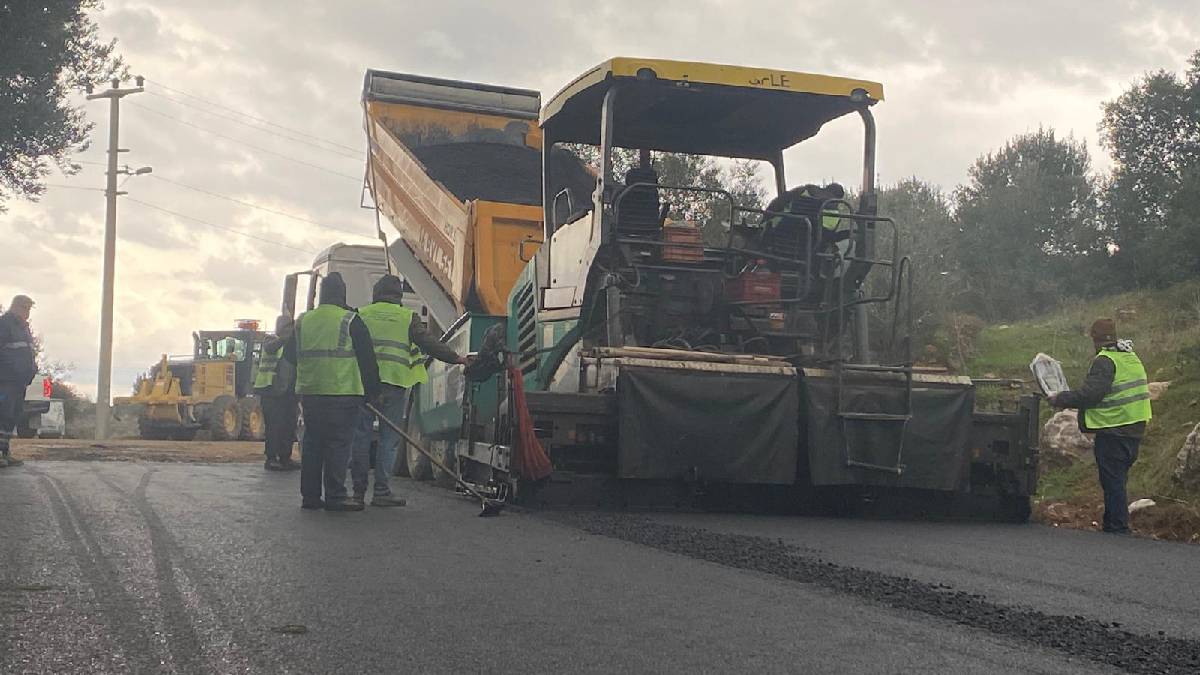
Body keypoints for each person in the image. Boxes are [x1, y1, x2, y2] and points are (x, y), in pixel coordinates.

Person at [349, 275, 469, 507]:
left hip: (362, 385)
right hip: (394, 384)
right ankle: (382, 492)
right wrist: (457, 358)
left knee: (360, 437)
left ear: (376, 294)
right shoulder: (407, 317)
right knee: (388, 439)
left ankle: (357, 492)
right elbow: (429, 343)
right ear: (398, 296)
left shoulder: (360, 314)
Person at [283, 273, 380, 512]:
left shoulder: (304, 321)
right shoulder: (350, 320)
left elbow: (288, 355)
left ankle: (310, 497)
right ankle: (336, 495)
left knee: (313, 444)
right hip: (343, 393)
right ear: (342, 294)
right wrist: (373, 393)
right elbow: (368, 360)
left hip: (312, 393)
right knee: (338, 445)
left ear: (319, 295)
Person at [1050, 318, 1152, 534]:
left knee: (1112, 481)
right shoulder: (1129, 356)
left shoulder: (1105, 361)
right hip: (1134, 428)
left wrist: (1060, 398)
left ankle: (1117, 527)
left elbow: (1091, 394)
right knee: (1118, 479)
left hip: (1114, 428)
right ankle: (1112, 524)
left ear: (1094, 339)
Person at [254, 315, 299, 472]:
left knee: (289, 425)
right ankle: (271, 458)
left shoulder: (293, 344)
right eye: (287, 327)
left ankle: (285, 457)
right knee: (274, 426)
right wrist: (286, 337)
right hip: (271, 391)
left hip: (289, 392)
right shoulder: (270, 340)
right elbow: (270, 348)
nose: (290, 331)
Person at [0, 295, 36, 468]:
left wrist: (31, 371)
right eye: (25, 308)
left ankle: (5, 452)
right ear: (16, 307)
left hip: (19, 382)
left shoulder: (24, 328)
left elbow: (28, 354)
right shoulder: (5, 324)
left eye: (29, 309)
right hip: (5, 380)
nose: (27, 312)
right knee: (2, 414)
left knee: (11, 417)